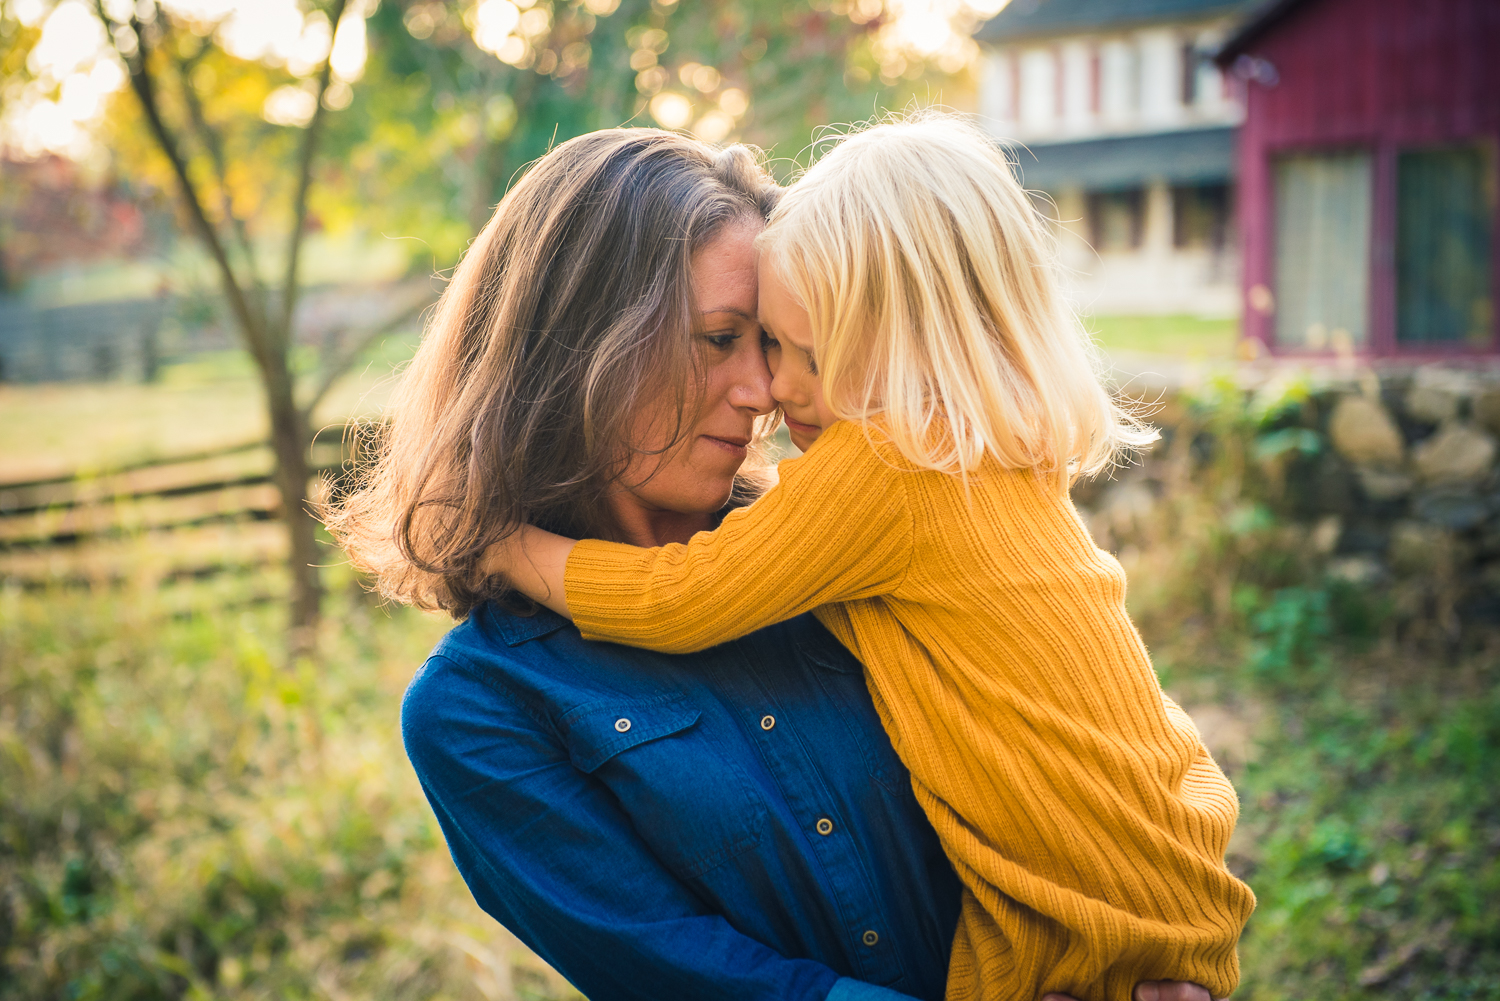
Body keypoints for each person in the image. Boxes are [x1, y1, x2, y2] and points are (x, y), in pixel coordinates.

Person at [326, 126, 1221, 1001]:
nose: (765, 393)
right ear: (580, 349)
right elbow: (679, 970)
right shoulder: (480, 709)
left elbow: (1094, 708)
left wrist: (1158, 912)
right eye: (723, 338)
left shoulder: (851, 537)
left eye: (784, 343)